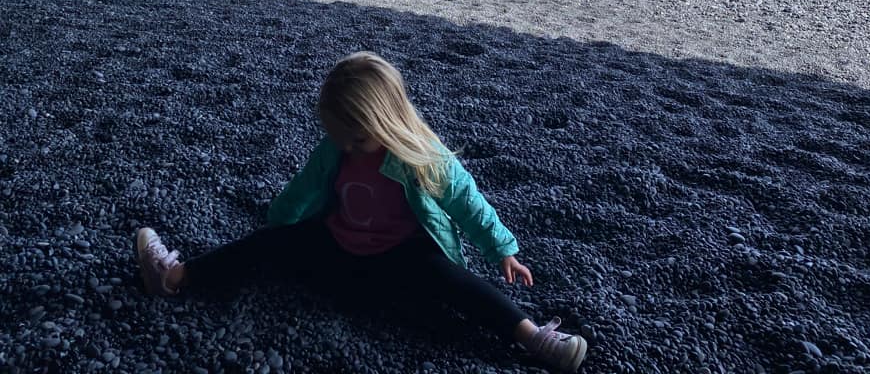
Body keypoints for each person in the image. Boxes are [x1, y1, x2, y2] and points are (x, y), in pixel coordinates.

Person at [134, 52, 588, 373]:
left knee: (455, 281)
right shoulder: (336, 147)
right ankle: (174, 277)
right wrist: (277, 225)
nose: (349, 148)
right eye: (341, 138)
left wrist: (502, 249)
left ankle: (533, 337)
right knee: (268, 244)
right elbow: (304, 189)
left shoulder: (423, 157)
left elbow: (468, 204)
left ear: (387, 123)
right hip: (340, 251)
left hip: (400, 261)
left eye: (358, 140)